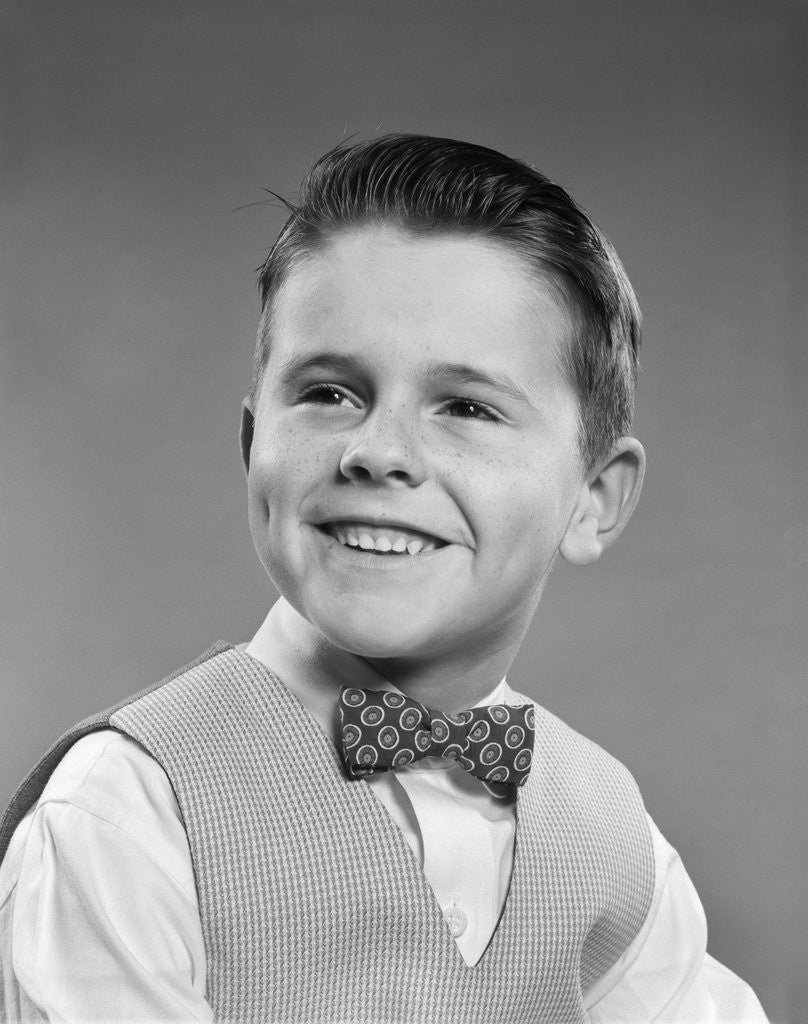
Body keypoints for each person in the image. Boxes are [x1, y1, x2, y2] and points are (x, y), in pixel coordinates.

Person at [0, 134, 768, 1022]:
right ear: (256, 448)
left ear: (593, 499)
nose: (378, 453)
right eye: (329, 392)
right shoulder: (127, 813)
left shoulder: (612, 835)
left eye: (468, 407)